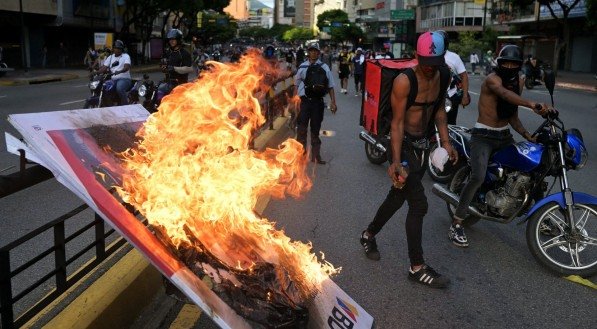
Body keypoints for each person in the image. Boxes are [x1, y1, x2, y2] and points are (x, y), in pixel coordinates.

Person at [359, 31, 456, 289]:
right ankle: (417, 267)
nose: (429, 70)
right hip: (401, 144)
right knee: (419, 204)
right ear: (417, 56)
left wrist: (445, 142)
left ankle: (368, 235)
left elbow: (438, 110)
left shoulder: (443, 74)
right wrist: (396, 161)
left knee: (397, 197)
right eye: (425, 64)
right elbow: (397, 123)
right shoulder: (405, 81)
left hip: (422, 145)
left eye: (434, 65)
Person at [449, 45, 549, 247]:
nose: (509, 66)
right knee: (477, 176)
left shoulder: (518, 81)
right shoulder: (492, 79)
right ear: (500, 63)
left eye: (514, 64)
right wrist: (530, 104)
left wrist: (527, 135)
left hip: (504, 136)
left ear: (519, 65)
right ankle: (457, 223)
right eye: (506, 63)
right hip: (483, 136)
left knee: (532, 169)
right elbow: (505, 95)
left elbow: (511, 113)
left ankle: (541, 216)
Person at [294, 42, 338, 164]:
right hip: (304, 102)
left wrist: (333, 102)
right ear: (308, 52)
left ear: (318, 53)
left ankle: (316, 156)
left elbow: (330, 86)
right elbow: (296, 85)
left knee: (315, 129)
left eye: (315, 51)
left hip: (318, 103)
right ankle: (301, 155)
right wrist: (294, 101)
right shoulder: (302, 67)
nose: (313, 53)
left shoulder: (324, 67)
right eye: (311, 50)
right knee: (302, 129)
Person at [437, 30, 470, 124]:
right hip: (432, 96)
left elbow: (464, 76)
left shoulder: (454, 57)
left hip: (450, 97)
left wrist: (465, 96)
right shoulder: (430, 56)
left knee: (450, 123)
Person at [96, 40, 132, 105]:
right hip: (113, 80)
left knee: (119, 88)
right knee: (105, 88)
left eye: (119, 48)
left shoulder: (126, 56)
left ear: (122, 49)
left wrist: (120, 71)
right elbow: (104, 67)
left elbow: (127, 67)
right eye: (116, 48)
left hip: (124, 79)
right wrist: (96, 72)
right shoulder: (110, 57)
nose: (117, 50)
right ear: (113, 49)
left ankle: (126, 106)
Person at [160, 29, 193, 93]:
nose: (171, 41)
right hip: (168, 83)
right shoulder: (167, 52)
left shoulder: (184, 53)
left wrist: (174, 68)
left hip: (181, 85)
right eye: (170, 39)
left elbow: (190, 69)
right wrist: (163, 67)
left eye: (173, 39)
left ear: (178, 40)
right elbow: (164, 67)